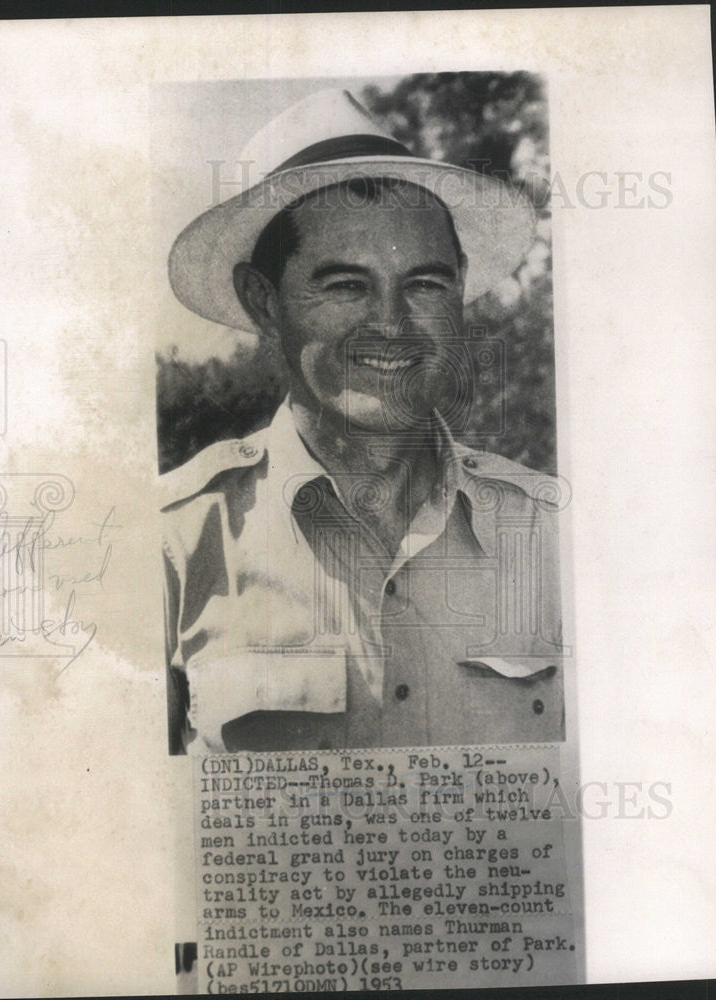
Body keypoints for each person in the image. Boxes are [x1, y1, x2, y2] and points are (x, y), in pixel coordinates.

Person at [162, 89, 564, 754]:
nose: (390, 323)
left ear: (459, 293)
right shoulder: (173, 544)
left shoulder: (556, 536)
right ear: (265, 303)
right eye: (345, 285)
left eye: (425, 284)